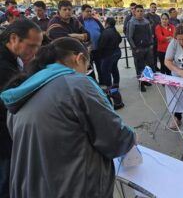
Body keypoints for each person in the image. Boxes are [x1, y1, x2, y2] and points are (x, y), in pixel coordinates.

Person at [0, 37, 135, 198]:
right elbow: (115, 138)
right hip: (73, 188)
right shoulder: (77, 84)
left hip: (30, 188)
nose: (86, 72)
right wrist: (131, 136)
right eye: (87, 66)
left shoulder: (23, 89)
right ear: (78, 58)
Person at [0, 19, 42, 198]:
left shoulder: (10, 58)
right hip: (4, 139)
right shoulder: (3, 65)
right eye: (31, 46)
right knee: (7, 182)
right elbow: (16, 98)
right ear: (14, 38)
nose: (34, 52)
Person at [98, 17, 124, 109]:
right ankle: (116, 84)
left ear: (107, 23)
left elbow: (101, 46)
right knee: (114, 69)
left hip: (108, 55)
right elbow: (120, 39)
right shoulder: (115, 31)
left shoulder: (105, 32)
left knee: (106, 72)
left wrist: (99, 54)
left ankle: (110, 88)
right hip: (116, 53)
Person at [127, 5, 154, 92]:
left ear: (144, 12)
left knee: (147, 66)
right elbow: (129, 37)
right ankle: (141, 83)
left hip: (147, 48)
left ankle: (146, 81)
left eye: (141, 11)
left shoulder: (146, 21)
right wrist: (134, 48)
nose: (140, 13)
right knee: (139, 67)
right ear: (134, 12)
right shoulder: (132, 22)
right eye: (138, 11)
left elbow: (150, 34)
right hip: (138, 49)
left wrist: (151, 44)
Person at [79, 4, 105, 84]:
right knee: (89, 69)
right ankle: (93, 84)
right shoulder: (78, 22)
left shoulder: (96, 20)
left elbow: (103, 31)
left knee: (100, 67)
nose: (89, 13)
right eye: (87, 11)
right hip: (86, 51)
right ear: (82, 12)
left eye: (90, 11)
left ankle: (102, 82)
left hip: (98, 49)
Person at [144, 3, 161, 71]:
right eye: (152, 7)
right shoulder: (146, 16)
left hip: (157, 38)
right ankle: (150, 69)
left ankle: (155, 66)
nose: (153, 8)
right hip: (149, 38)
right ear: (150, 8)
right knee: (149, 55)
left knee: (155, 54)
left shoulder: (157, 17)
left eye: (155, 7)